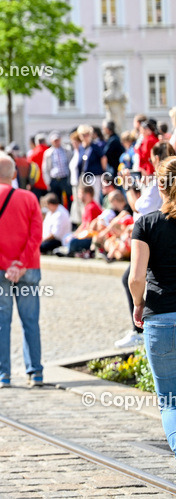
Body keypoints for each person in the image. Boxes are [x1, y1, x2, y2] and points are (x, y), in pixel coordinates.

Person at [0, 155, 44, 388]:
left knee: (1, 322)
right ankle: (35, 372)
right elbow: (36, 235)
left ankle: (3, 374)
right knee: (30, 321)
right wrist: (21, 263)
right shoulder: (30, 198)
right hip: (29, 267)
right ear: (15, 175)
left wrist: (6, 264)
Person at [129, 156, 176, 456]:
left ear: (159, 185)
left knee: (170, 399)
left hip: (160, 317)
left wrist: (138, 304)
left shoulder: (145, 224)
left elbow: (135, 278)